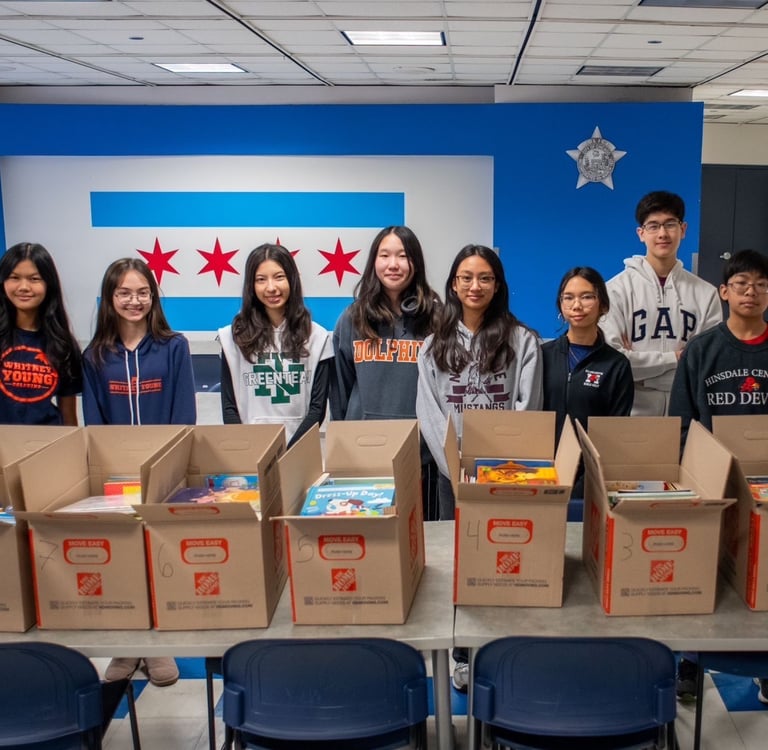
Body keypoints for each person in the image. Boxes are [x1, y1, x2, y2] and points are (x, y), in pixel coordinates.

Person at [83, 257, 196, 687]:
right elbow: (93, 424)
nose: (134, 301)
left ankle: (158, 644)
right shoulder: (95, 355)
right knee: (124, 558)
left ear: (153, 296)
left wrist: (169, 473)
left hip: (162, 475)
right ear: (110, 299)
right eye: (124, 293)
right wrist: (106, 474)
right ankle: (127, 646)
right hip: (114, 478)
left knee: (159, 555)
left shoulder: (173, 347)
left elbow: (184, 415)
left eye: (142, 292)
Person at [669, 248, 768, 703]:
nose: (752, 292)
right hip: (714, 478)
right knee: (702, 569)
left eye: (761, 285)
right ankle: (689, 659)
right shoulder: (703, 350)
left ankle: (763, 663)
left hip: (765, 483)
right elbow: (683, 418)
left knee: (762, 573)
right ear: (724, 292)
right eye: (742, 284)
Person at [330, 225, 442, 520]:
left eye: (403, 256)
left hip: (422, 458)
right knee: (372, 545)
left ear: (415, 263)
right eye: (385, 255)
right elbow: (340, 390)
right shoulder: (352, 319)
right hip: (363, 456)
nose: (393, 264)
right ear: (373, 262)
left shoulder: (437, 318)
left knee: (424, 543)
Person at [602, 190, 722, 416]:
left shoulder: (706, 294)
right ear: (641, 233)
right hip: (631, 405)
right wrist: (675, 358)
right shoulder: (615, 290)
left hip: (687, 406)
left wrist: (640, 364)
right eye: (653, 226)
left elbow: (705, 365)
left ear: (683, 229)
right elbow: (615, 363)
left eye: (670, 224)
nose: (662, 233)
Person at [219, 243, 332, 447]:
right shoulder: (232, 338)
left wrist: (288, 454)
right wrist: (248, 451)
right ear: (251, 286)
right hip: (249, 454)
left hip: (299, 453)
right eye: (261, 280)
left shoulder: (317, 337)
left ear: (292, 280)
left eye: (279, 277)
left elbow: (317, 410)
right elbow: (229, 407)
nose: (271, 287)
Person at [542, 267, 634, 497]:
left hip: (592, 479)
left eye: (587, 297)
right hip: (543, 474)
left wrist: (588, 481)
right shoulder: (542, 356)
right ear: (560, 306)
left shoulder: (616, 365)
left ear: (603, 305)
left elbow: (615, 432)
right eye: (568, 297)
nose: (577, 305)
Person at [0, 242, 82, 426]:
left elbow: (69, 418)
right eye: (14, 277)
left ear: (48, 284)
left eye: (34, 279)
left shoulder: (63, 344)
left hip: (46, 447)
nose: (24, 287)